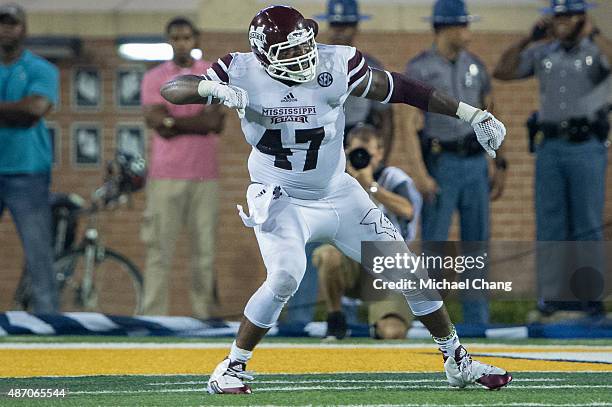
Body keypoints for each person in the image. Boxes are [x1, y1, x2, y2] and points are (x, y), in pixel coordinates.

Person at [162, 5, 510, 394]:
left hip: (338, 191)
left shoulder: (336, 62)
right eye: (289, 52)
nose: (302, 57)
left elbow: (401, 88)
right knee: (285, 275)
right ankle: (231, 366)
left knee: (408, 270)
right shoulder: (240, 70)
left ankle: (456, 360)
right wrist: (212, 88)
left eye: (304, 45)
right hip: (282, 197)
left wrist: (471, 113)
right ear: (263, 55)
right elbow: (173, 90)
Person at [281, 0, 395, 334]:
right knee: (301, 242)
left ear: (357, 26)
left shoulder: (365, 64)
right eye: (339, 25)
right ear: (329, 26)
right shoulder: (302, 61)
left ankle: (362, 317)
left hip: (352, 152)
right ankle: (299, 321)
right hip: (312, 158)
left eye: (349, 25)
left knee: (360, 237)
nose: (343, 30)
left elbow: (386, 115)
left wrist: (378, 160)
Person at [493, 0, 610, 321]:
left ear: (581, 18)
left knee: (587, 225)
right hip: (550, 147)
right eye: (556, 15)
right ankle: (553, 295)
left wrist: (595, 33)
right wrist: (527, 39)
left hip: (586, 144)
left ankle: (590, 297)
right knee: (550, 223)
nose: (559, 21)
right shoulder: (544, 52)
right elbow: (502, 71)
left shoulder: (595, 51)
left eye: (567, 16)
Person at [403, 0, 507, 325]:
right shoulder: (419, 68)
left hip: (475, 162)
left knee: (478, 242)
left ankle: (478, 319)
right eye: (462, 26)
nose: (468, 33)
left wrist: (499, 162)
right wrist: (420, 173)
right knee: (434, 241)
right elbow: (408, 123)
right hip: (440, 161)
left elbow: (491, 113)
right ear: (444, 28)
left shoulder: (475, 65)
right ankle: (433, 322)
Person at [140, 17, 225, 320]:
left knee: (204, 251)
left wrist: (173, 121)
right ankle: (153, 316)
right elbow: (156, 122)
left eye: (187, 37)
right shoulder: (154, 77)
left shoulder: (212, 74)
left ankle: (203, 316)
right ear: (169, 41)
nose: (181, 43)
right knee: (157, 250)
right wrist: (195, 122)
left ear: (195, 39)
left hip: (205, 176)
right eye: (175, 38)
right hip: (165, 176)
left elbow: (215, 122)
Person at [316, 124, 420, 340]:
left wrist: (371, 186)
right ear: (346, 152)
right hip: (352, 262)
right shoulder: (338, 179)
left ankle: (379, 325)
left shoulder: (393, 178)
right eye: (356, 153)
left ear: (380, 154)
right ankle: (336, 319)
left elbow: (408, 210)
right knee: (328, 255)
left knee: (393, 332)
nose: (362, 159)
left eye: (368, 154)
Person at [0, 3, 59, 314]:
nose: (7, 29)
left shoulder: (41, 69)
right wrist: (16, 110)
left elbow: (34, 109)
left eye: (13, 23)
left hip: (28, 173)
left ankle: (49, 325)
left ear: (24, 28)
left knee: (39, 255)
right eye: (2, 23)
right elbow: (22, 111)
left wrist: (21, 111)